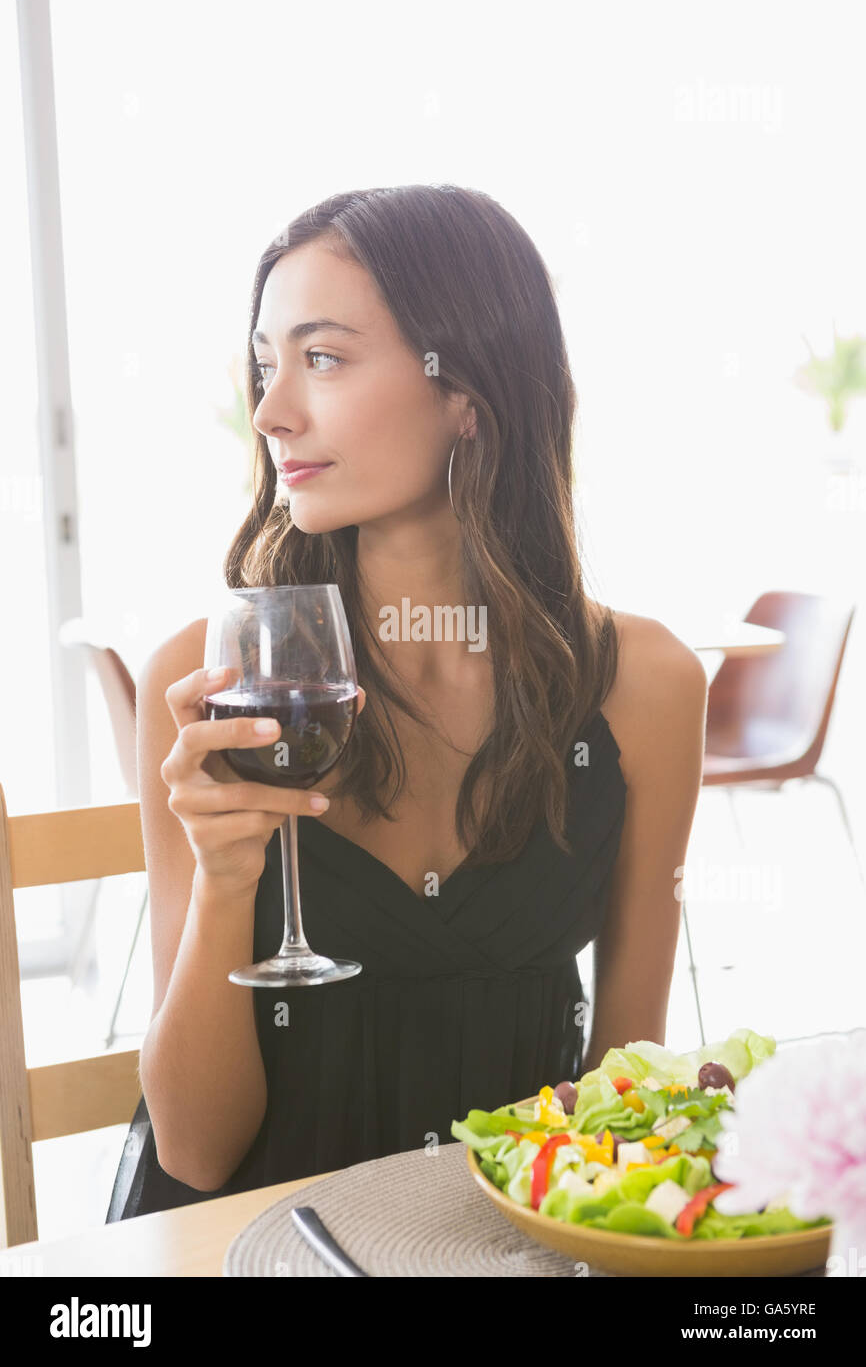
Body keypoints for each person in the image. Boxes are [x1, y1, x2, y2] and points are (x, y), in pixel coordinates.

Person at [106, 185, 707, 1221]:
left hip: (504, 1242)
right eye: (265, 364)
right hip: (255, 1246)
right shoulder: (207, 679)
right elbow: (196, 1154)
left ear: (466, 392)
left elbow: (623, 1087)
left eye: (322, 358)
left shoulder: (644, 687)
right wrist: (223, 884)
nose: (269, 411)